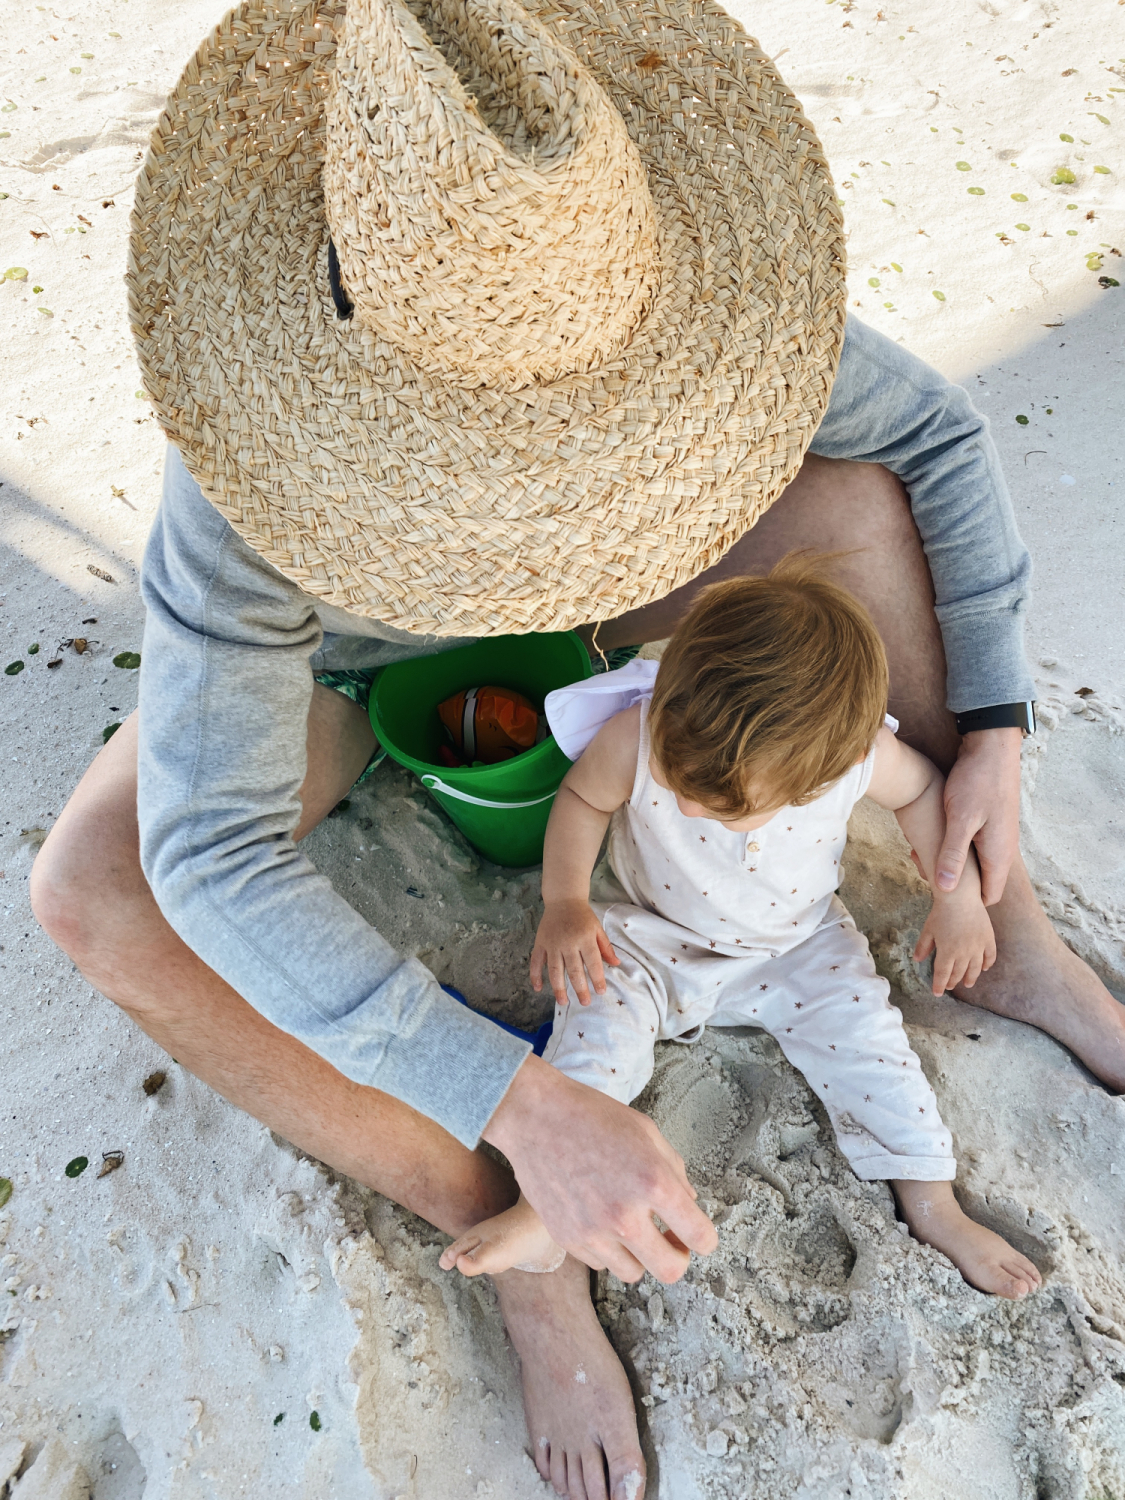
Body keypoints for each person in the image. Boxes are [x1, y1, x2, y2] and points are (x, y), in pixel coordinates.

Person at [27, 0, 1123, 1495]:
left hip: (635, 598)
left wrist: (987, 734)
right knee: (97, 888)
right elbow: (205, 851)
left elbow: (930, 437)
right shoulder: (255, 431)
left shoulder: (657, 273)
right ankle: (513, 1231)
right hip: (361, 671)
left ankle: (1021, 945)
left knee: (854, 516)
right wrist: (521, 1101)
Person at [439, 560, 1043, 1299]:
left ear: (820, 773)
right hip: (647, 937)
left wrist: (952, 898)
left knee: (872, 1046)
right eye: (677, 778)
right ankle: (540, 1211)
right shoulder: (644, 729)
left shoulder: (852, 758)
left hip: (795, 943)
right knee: (595, 1030)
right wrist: (565, 902)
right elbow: (582, 801)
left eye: (718, 803)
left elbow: (919, 790)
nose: (686, 806)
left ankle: (933, 1204)